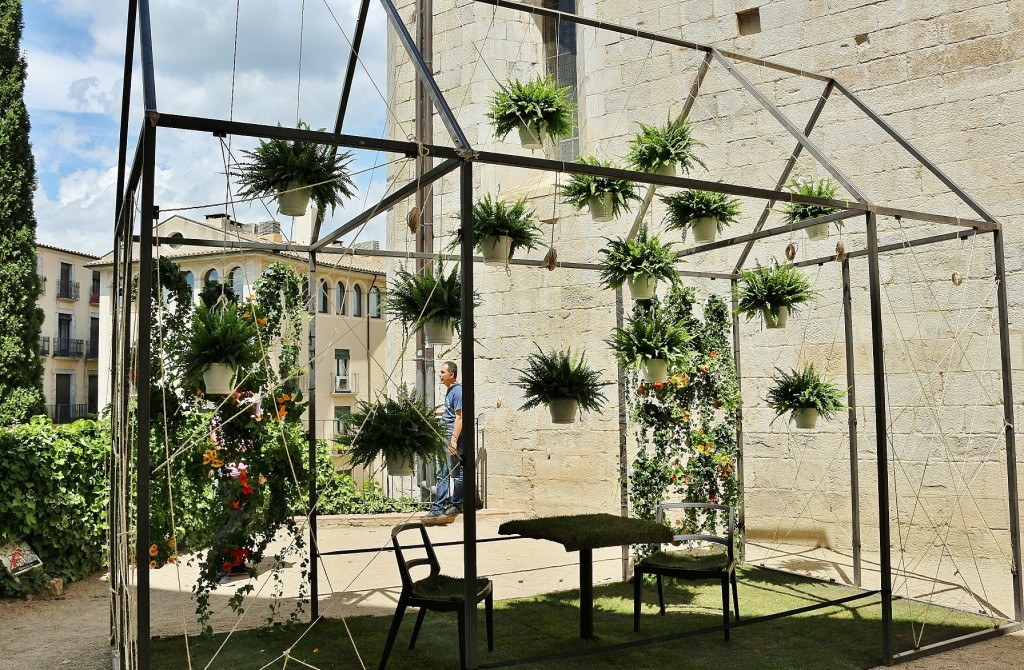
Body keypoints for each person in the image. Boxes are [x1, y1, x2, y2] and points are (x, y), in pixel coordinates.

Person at [424, 360, 463, 520]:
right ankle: (441, 506)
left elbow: (460, 417)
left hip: (450, 438)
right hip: (445, 436)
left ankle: (455, 504)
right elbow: (452, 413)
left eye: (442, 372)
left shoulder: (458, 391)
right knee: (442, 473)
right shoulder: (451, 391)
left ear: (451, 374)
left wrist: (453, 440)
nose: (439, 375)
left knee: (456, 473)